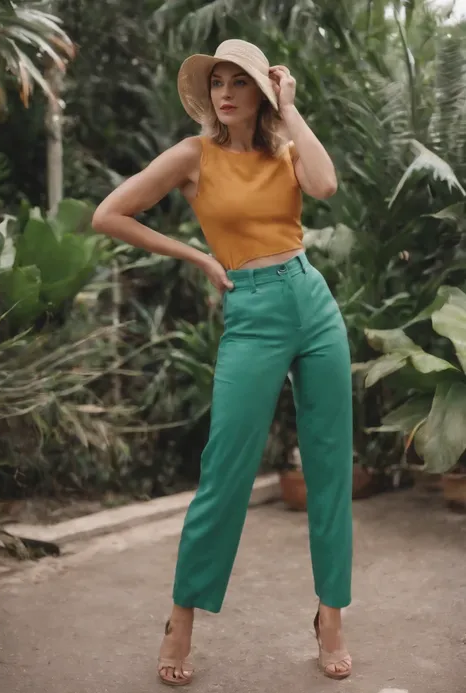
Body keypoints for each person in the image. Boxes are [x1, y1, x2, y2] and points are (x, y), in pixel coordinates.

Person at [92, 39, 353, 687]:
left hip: (311, 301)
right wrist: (201, 257)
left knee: (328, 464)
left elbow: (324, 184)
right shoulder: (192, 156)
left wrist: (291, 111)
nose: (226, 92)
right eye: (218, 82)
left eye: (241, 82)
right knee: (225, 471)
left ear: (263, 91)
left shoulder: (286, 149)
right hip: (253, 312)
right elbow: (109, 214)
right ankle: (181, 617)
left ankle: (331, 616)